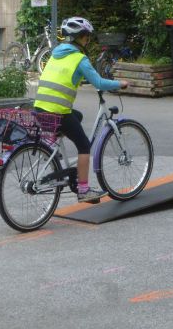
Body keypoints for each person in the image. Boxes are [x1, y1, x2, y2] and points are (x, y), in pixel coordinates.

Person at [34, 17, 129, 203]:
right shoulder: (79, 59)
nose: (87, 40)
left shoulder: (55, 54)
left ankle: (53, 143)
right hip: (58, 112)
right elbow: (99, 83)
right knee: (84, 145)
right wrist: (121, 83)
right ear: (81, 38)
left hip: (39, 108)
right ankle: (84, 190)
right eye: (86, 37)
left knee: (77, 115)